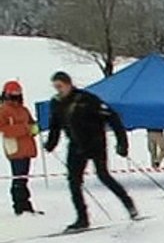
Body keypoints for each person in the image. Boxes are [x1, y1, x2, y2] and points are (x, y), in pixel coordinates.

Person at [44, 71, 137, 231]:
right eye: (55, 87)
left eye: (60, 86)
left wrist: (122, 143)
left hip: (95, 143)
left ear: (68, 84)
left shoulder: (87, 99)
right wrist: (51, 143)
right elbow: (55, 125)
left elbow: (112, 117)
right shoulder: (56, 103)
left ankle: (129, 204)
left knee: (103, 176)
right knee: (74, 182)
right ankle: (82, 218)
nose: (58, 90)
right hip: (76, 146)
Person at [0, 80, 38, 215]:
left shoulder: (23, 109)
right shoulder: (3, 110)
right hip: (15, 148)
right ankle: (20, 207)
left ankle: (26, 206)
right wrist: (25, 129)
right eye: (13, 94)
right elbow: (4, 129)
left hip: (27, 147)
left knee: (23, 178)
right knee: (19, 178)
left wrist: (34, 128)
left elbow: (32, 124)